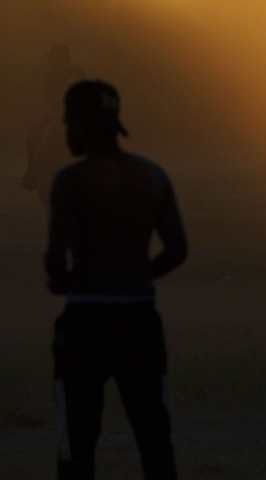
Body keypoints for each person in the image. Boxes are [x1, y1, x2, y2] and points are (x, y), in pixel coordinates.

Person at [45, 80, 188, 480]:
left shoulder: (71, 182)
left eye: (69, 123)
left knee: (77, 441)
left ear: (81, 123)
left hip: (86, 322)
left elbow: (55, 262)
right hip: (139, 319)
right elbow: (177, 248)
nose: (66, 132)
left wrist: (70, 280)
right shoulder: (151, 176)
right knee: (154, 439)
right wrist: (140, 275)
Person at [21, 44, 85, 198]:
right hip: (55, 113)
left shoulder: (78, 73)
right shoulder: (52, 77)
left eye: (52, 58)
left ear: (61, 58)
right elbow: (47, 100)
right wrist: (57, 102)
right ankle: (32, 173)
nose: (50, 61)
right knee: (31, 138)